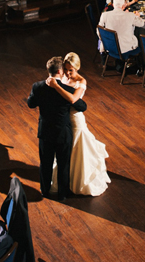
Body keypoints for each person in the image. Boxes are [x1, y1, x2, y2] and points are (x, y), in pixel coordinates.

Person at [47, 53, 110, 196]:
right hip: (63, 119)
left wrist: (56, 87)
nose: (68, 73)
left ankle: (80, 180)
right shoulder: (62, 77)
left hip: (75, 120)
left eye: (71, 70)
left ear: (78, 68)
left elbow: (74, 99)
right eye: (66, 69)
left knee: (78, 147)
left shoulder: (81, 81)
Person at [26, 56, 88, 201]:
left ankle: (45, 190)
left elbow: (31, 104)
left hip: (45, 132)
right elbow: (82, 106)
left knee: (45, 163)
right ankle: (63, 193)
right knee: (63, 164)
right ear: (60, 71)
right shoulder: (67, 90)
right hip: (63, 133)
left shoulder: (37, 86)